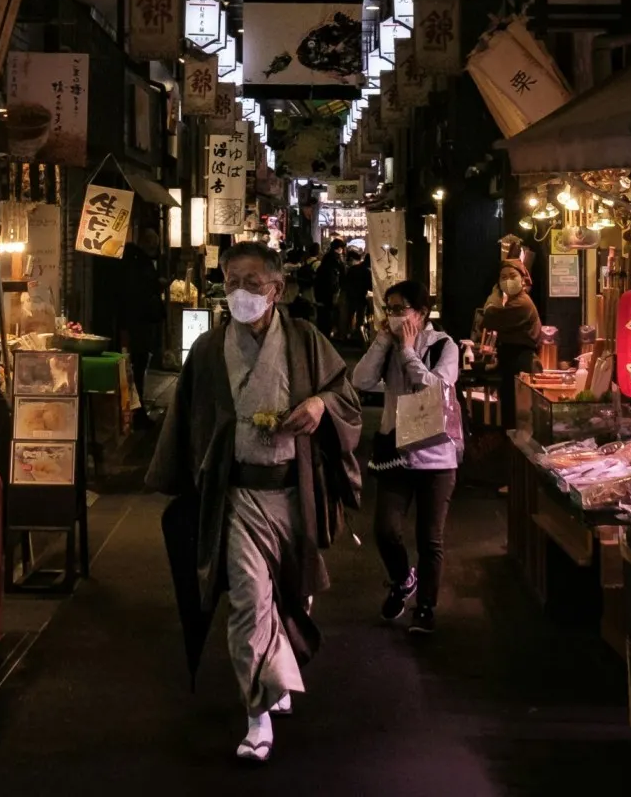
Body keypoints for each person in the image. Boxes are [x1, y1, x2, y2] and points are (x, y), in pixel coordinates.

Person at [147, 241, 362, 764]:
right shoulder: (208, 349)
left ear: (277, 289)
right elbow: (188, 416)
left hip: (294, 491)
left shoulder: (306, 341)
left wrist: (318, 404)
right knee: (247, 598)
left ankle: (276, 670)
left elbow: (345, 394)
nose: (241, 294)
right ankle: (257, 715)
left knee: (290, 592)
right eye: (232, 282)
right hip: (237, 494)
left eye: (252, 283)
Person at [352, 279, 459, 635]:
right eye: (389, 309)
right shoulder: (388, 343)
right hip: (396, 452)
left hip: (436, 458)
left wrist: (409, 351)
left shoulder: (445, 345)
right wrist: (385, 339)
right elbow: (362, 380)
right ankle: (402, 579)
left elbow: (436, 388)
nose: (395, 316)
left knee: (430, 539)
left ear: (422, 312)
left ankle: (425, 608)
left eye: (401, 309)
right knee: (385, 530)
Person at [477, 258, 543, 430]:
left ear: (522, 279)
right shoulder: (513, 302)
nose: (507, 280)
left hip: (522, 363)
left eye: (512, 275)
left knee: (520, 416)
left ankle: (519, 453)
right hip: (512, 361)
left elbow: (490, 317)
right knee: (511, 413)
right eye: (503, 277)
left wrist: (493, 298)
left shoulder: (523, 303)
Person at [117, 224, 167, 427]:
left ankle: (135, 412)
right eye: (153, 245)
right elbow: (140, 293)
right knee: (136, 369)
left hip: (135, 323)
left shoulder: (132, 261)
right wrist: (157, 285)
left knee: (136, 369)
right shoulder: (139, 264)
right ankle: (135, 414)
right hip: (138, 325)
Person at [339, 244, 373, 340]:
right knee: (360, 318)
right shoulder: (367, 272)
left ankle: (345, 335)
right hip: (360, 297)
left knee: (348, 316)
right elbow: (370, 287)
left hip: (350, 296)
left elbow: (345, 281)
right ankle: (358, 336)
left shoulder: (353, 269)